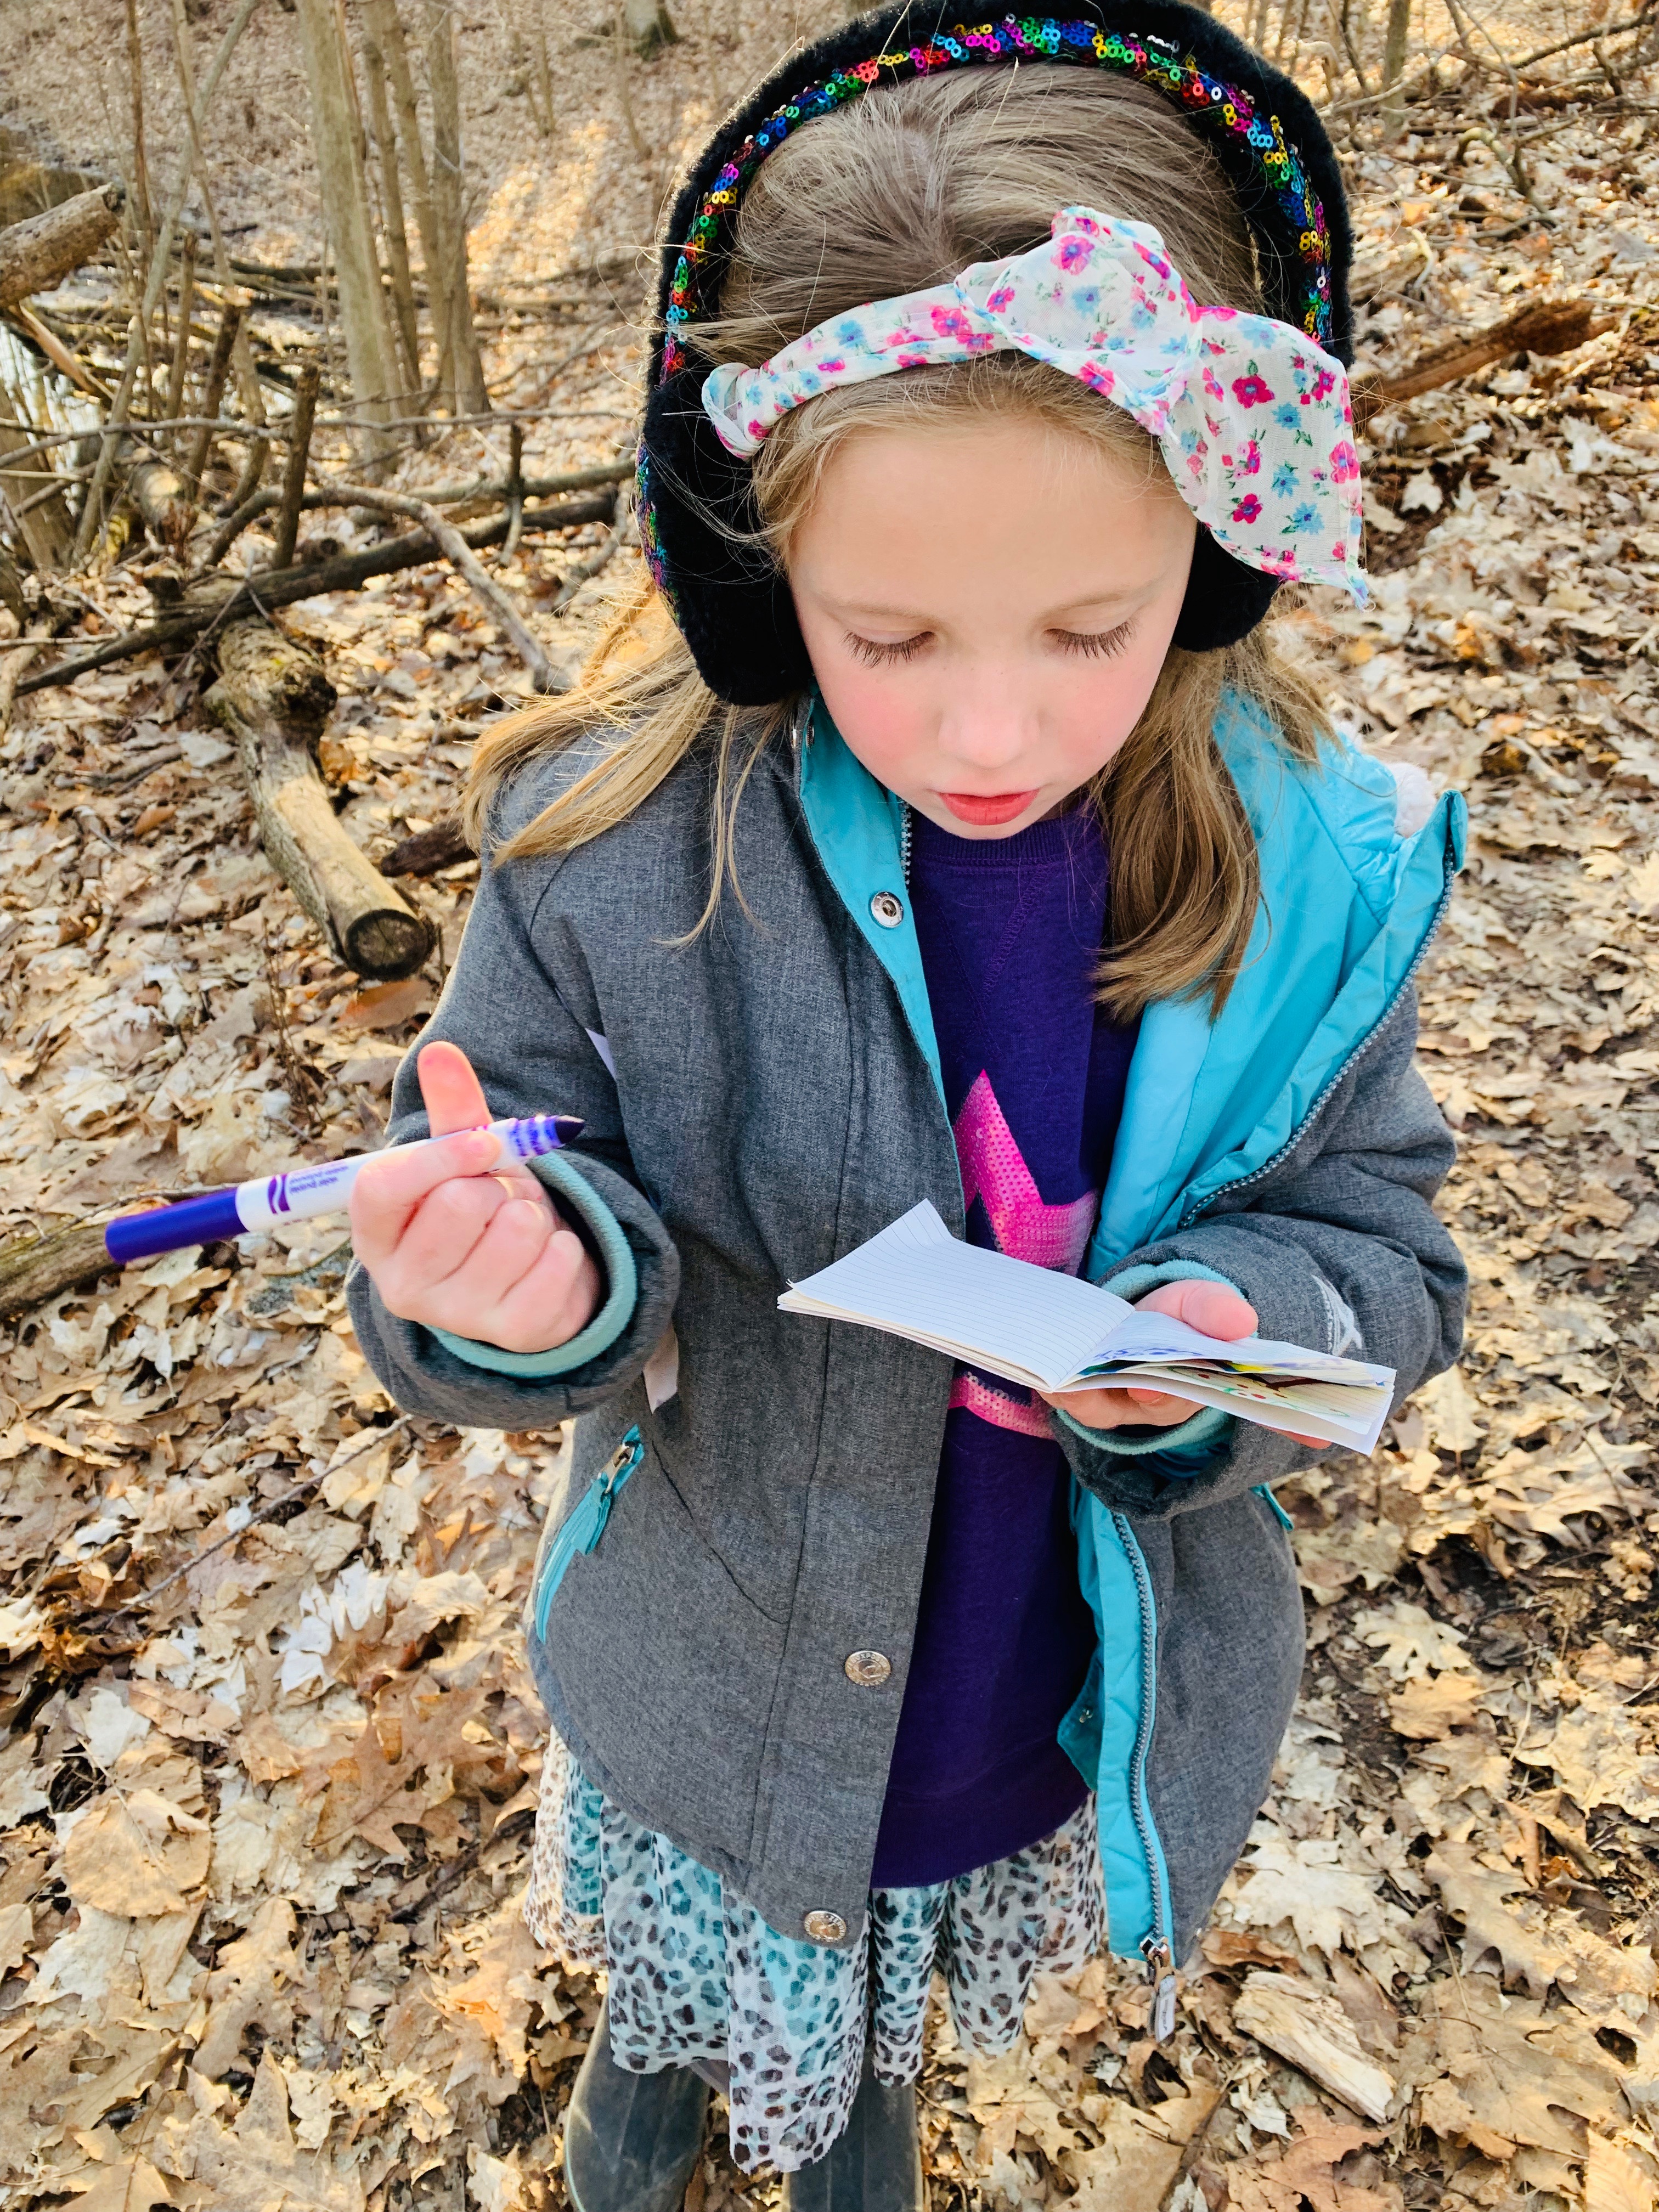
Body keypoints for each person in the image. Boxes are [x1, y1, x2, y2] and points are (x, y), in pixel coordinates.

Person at [346, 8, 1468, 2207]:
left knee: (867, 2086)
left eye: (1088, 623)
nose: (990, 724)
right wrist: (513, 1282)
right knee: (670, 2037)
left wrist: (1241, 1330)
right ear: (759, 585)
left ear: (1217, 563)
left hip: (1025, 1688)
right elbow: (513, 1204)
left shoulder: (1313, 875)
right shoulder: (615, 860)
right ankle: (633, 2128)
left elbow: (1388, 1248)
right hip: (713, 1667)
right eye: (887, 632)